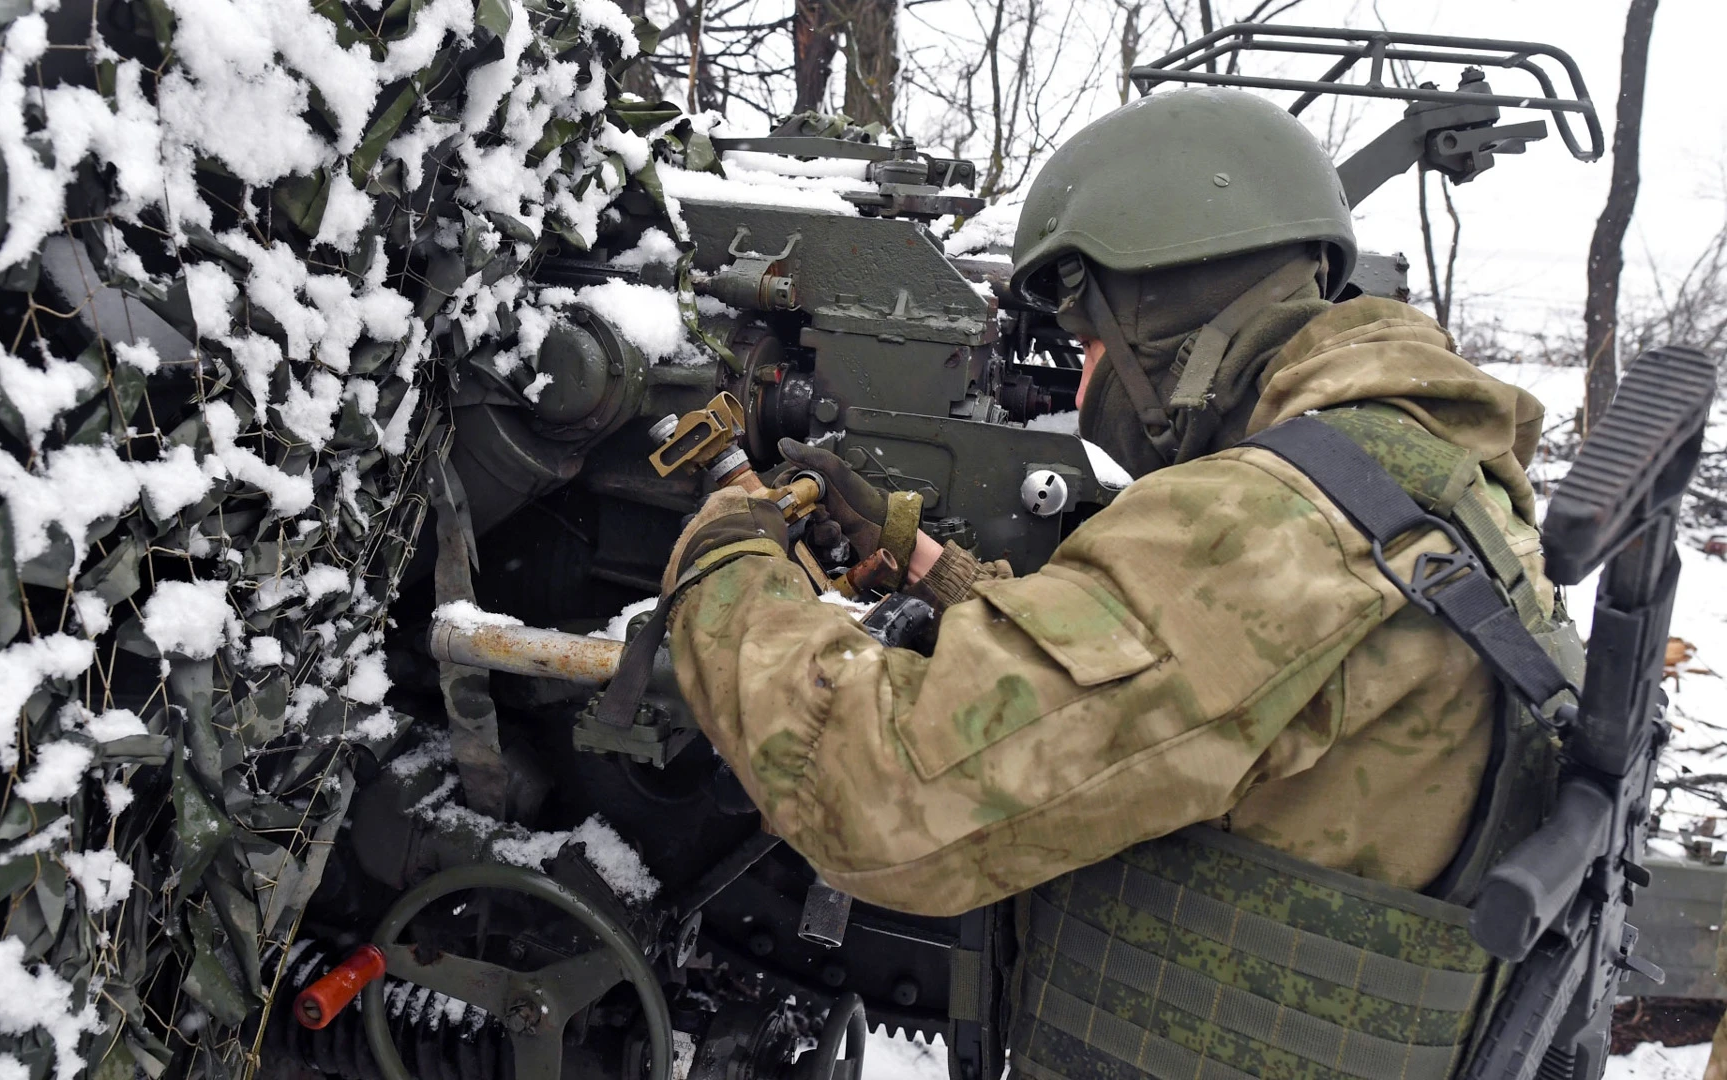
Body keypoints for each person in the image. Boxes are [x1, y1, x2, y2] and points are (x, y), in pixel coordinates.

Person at [662, 87, 1577, 1080]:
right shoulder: (1410, 469)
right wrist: (935, 568)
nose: (1086, 383)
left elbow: (878, 788)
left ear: (1154, 317)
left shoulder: (1273, 526)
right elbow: (1184, 697)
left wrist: (727, 552)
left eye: (1085, 342)